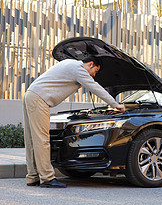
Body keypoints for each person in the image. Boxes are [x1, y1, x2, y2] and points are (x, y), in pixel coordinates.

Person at [22, 56, 126, 188]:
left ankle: (33, 177)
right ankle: (47, 178)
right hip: (39, 98)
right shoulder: (78, 69)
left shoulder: (70, 64)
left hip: (31, 94)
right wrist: (115, 104)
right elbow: (95, 87)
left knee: (32, 140)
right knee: (42, 140)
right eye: (95, 71)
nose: (94, 75)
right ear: (91, 64)